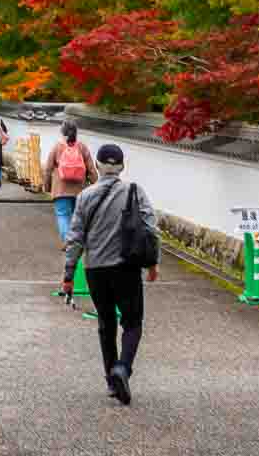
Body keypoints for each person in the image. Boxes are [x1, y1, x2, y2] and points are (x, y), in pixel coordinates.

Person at [61, 143, 159, 405]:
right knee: (133, 322)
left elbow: (75, 238)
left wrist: (69, 274)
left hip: (95, 270)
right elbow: (151, 227)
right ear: (122, 166)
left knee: (106, 324)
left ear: (96, 166)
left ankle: (111, 380)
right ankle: (122, 368)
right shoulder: (135, 192)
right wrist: (152, 263)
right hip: (126, 268)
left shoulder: (85, 196)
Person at [42, 120, 99, 244]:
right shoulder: (82, 147)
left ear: (62, 132)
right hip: (80, 189)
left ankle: (68, 243)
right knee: (76, 218)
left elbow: (48, 169)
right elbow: (91, 169)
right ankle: (76, 243)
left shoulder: (57, 147)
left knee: (63, 216)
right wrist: (96, 184)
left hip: (61, 189)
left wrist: (47, 186)